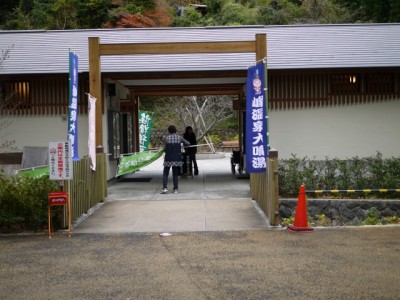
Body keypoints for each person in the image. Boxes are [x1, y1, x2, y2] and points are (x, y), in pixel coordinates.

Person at [161, 125, 190, 194]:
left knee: (165, 173)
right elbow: (188, 143)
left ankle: (165, 188)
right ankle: (175, 189)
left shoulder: (166, 138)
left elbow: (165, 149)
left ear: (169, 131)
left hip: (168, 158)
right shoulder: (180, 138)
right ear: (175, 130)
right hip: (177, 158)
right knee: (175, 174)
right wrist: (182, 146)